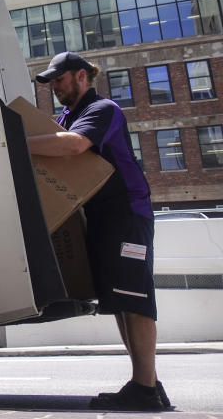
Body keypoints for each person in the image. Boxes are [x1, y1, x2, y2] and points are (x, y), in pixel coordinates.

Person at [28, 51, 171, 411]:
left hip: (127, 215)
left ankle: (145, 388)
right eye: (51, 83)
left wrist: (16, 145)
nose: (55, 87)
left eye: (58, 79)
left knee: (135, 299)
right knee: (121, 301)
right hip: (102, 218)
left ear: (80, 76)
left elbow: (74, 146)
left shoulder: (102, 109)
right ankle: (147, 383)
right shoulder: (68, 116)